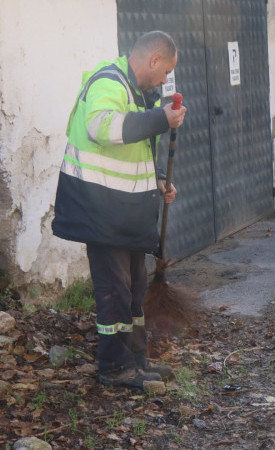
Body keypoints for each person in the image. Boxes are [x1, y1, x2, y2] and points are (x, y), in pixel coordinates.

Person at [52, 31, 188, 389]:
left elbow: (136, 148)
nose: (164, 81)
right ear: (154, 59)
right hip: (100, 211)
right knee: (114, 290)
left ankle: (137, 360)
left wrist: (159, 180)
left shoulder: (138, 92)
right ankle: (114, 367)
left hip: (122, 212)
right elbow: (101, 127)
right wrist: (161, 118)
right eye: (165, 72)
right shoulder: (108, 82)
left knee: (135, 286)